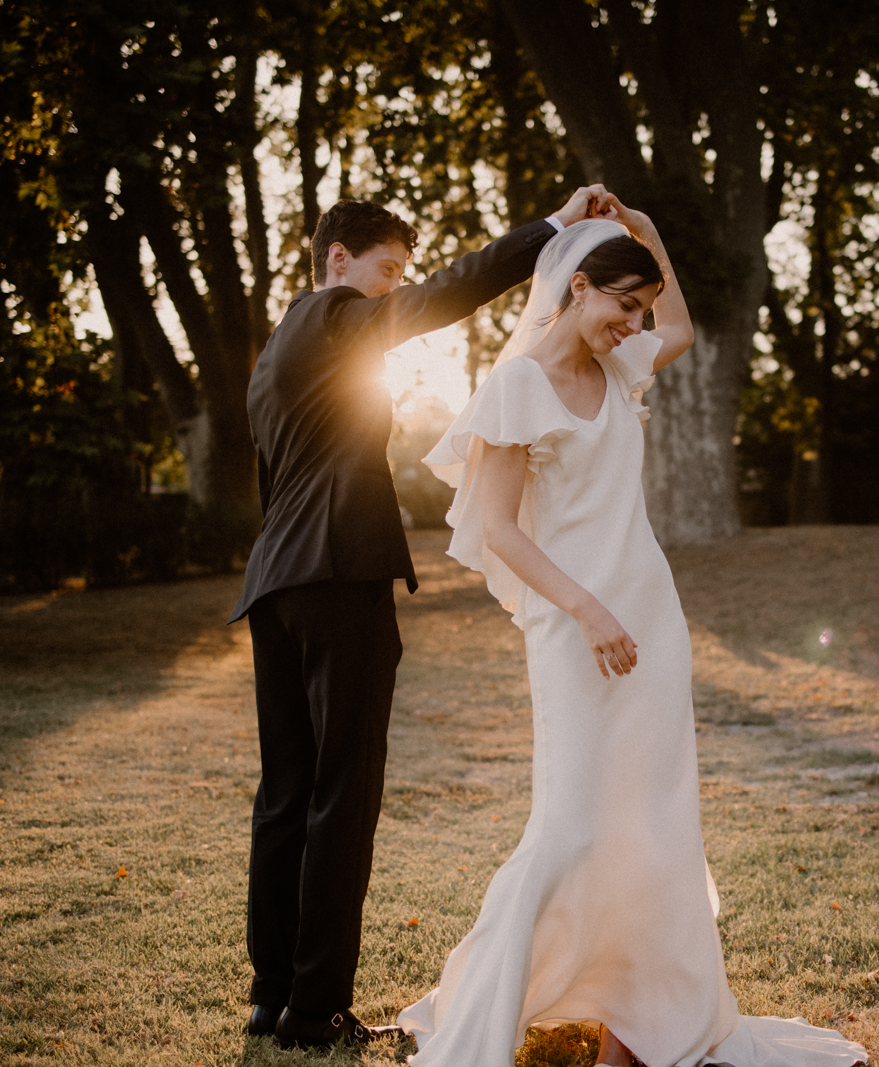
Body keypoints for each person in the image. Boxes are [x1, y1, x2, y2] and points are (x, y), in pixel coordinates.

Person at [396, 200, 867, 1067]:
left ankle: (639, 1035)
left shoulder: (619, 369)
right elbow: (499, 529)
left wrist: (652, 235)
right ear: (575, 288)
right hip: (576, 626)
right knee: (571, 826)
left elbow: (683, 324)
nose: (634, 325)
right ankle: (484, 1018)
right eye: (621, 305)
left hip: (650, 619)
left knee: (655, 827)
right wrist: (586, 607)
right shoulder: (518, 386)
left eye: (639, 310)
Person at [229, 184, 615, 1050]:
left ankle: (272, 995)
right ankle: (316, 1006)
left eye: (400, 272)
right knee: (343, 790)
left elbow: (272, 484)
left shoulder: (272, 355)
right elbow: (451, 293)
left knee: (286, 791)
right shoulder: (335, 318)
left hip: (276, 584)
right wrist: (552, 228)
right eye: (388, 270)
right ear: (339, 261)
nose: (397, 285)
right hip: (339, 574)